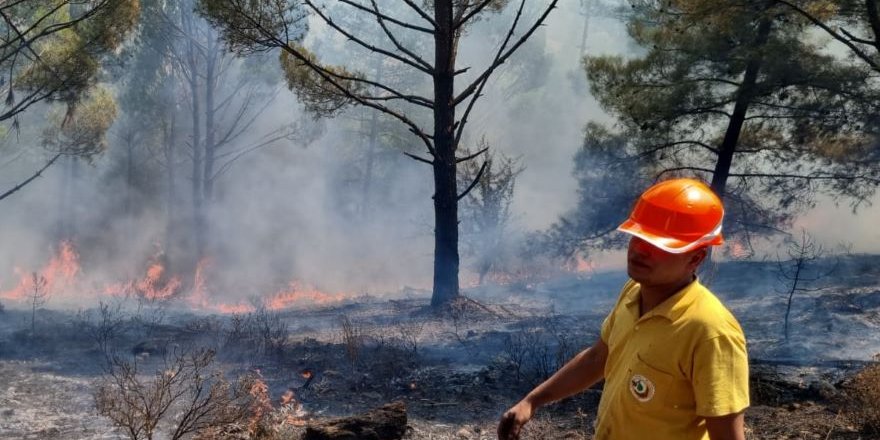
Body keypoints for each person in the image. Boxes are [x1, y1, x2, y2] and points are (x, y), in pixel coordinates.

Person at [498, 178, 749, 440]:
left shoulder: (710, 331)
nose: (639, 250)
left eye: (657, 245)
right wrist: (533, 400)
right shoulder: (634, 292)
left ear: (696, 257)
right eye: (638, 236)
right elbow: (599, 357)